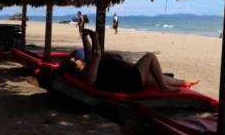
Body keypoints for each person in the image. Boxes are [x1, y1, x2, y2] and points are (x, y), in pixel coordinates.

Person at [62, 29, 194, 92]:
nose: (77, 59)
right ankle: (164, 87)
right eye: (75, 61)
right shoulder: (87, 75)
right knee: (150, 57)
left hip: (128, 76)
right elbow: (96, 53)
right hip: (129, 81)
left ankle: (183, 83)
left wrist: (85, 37)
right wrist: (95, 38)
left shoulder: (87, 68)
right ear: (77, 67)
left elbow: (89, 52)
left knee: (154, 77)